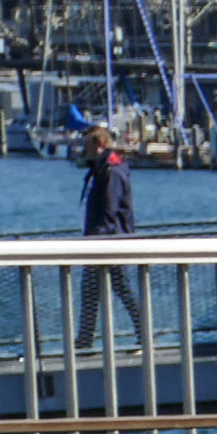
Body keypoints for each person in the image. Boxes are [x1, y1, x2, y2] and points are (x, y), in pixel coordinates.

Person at [75, 126, 145, 354]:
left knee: (117, 288)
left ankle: (142, 336)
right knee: (94, 290)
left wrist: (96, 239)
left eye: (87, 146)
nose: (84, 151)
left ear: (99, 145)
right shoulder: (104, 169)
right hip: (105, 240)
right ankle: (85, 341)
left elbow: (110, 209)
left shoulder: (111, 172)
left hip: (109, 241)